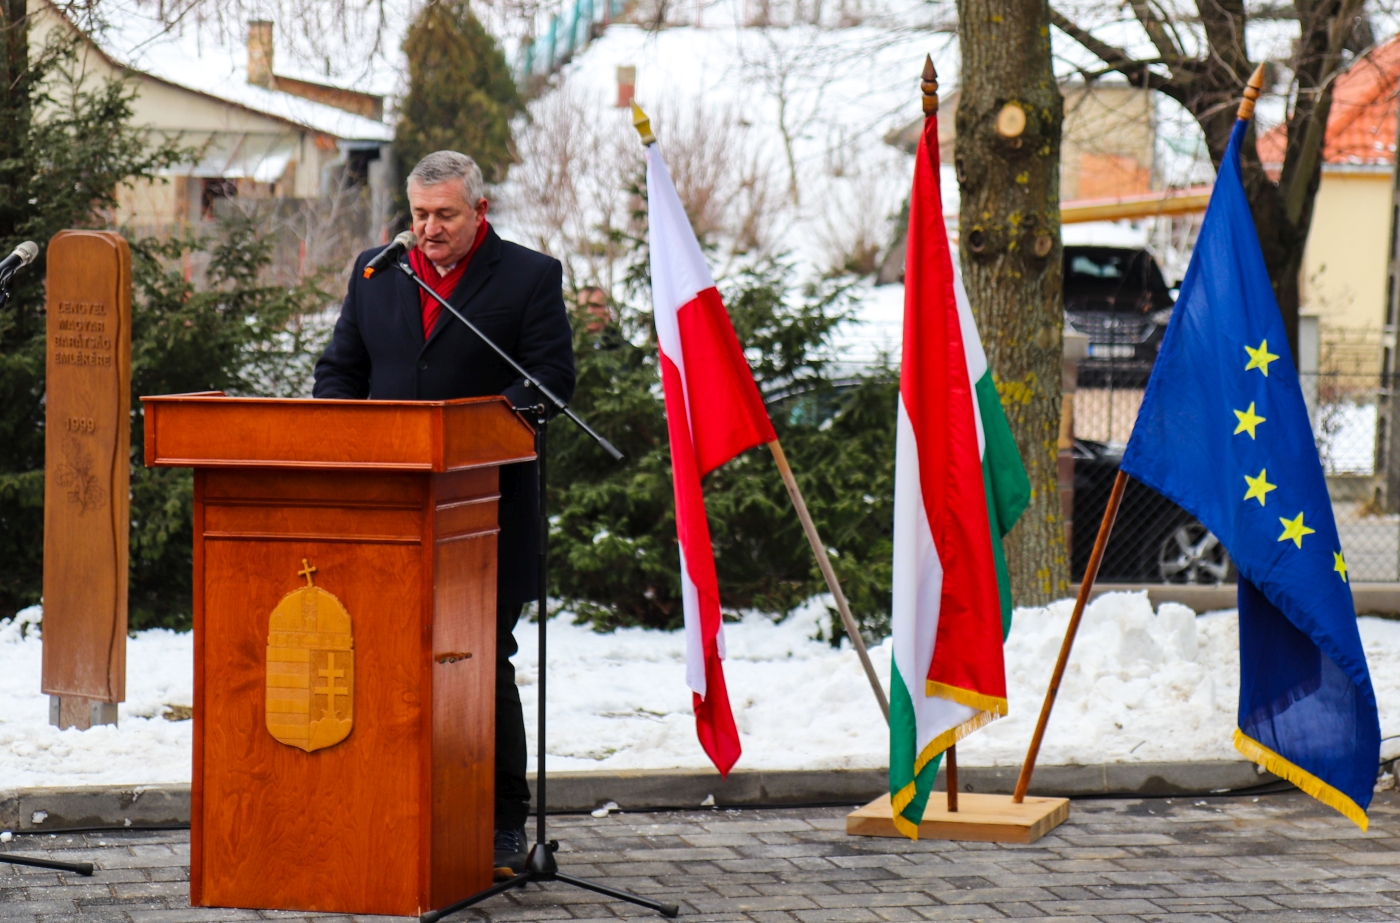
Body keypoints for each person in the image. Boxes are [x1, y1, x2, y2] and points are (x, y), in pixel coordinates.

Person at [313, 150, 575, 876]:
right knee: (390, 664)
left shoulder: (528, 276)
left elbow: (551, 378)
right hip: (390, 511)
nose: (428, 229)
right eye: (420, 214)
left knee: (482, 665)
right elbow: (341, 371)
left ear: (478, 211)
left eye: (445, 216)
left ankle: (497, 822)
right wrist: (337, 427)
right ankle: (396, 806)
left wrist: (481, 423)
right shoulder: (376, 272)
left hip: (487, 512)